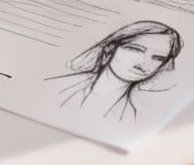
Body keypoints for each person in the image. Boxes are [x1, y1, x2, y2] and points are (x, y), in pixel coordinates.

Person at [45, 21, 183, 120]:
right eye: (136, 49)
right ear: (109, 49)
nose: (144, 63)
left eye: (158, 58)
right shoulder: (54, 87)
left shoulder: (134, 116)